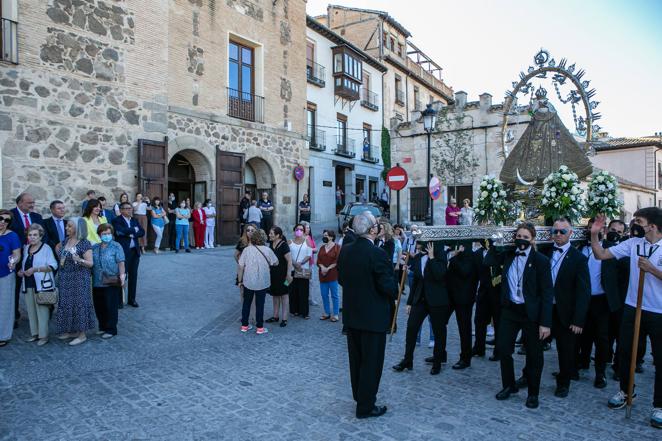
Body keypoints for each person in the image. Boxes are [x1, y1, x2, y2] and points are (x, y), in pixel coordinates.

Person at [589, 208, 662, 428]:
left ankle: (659, 405)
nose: (634, 224)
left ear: (652, 225)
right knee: (625, 353)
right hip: (633, 306)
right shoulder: (633, 244)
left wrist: (652, 269)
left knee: (660, 359)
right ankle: (626, 391)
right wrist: (594, 235)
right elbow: (601, 255)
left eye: (638, 221)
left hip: (659, 311)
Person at [517, 218, 590, 398]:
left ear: (570, 233)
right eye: (555, 231)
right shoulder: (543, 251)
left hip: (564, 311)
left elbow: (583, 291)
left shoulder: (579, 258)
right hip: (542, 309)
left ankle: (563, 382)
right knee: (533, 347)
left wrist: (578, 319)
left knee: (566, 351)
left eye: (562, 231)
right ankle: (528, 376)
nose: (558, 235)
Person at [338, 212, 398, 419]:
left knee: (356, 361)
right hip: (373, 319)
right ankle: (365, 406)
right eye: (377, 225)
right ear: (373, 230)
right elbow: (389, 288)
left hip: (353, 316)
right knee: (371, 363)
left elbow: (342, 280)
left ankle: (360, 397)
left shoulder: (345, 251)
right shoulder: (377, 254)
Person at [490, 222, 553, 410]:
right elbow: (488, 262)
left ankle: (533, 393)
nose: (522, 240)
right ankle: (509, 386)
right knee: (504, 349)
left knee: (534, 355)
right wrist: (497, 243)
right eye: (519, 236)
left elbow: (547, 293)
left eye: (526, 237)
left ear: (532, 239)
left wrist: (545, 323)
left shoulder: (541, 260)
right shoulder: (508, 255)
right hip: (510, 310)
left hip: (531, 313)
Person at [392, 239, 451, 376]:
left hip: (437, 300)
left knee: (439, 331)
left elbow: (439, 275)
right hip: (420, 300)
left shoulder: (440, 255)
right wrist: (409, 302)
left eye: (419, 242)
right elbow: (417, 282)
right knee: (411, 327)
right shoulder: (418, 257)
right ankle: (407, 360)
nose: (415, 244)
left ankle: (437, 361)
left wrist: (431, 257)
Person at [54, 218, 95, 346]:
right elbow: (58, 249)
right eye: (67, 226)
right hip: (65, 278)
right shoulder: (66, 240)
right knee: (67, 304)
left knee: (79, 304)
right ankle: (72, 331)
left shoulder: (84, 243)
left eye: (70, 226)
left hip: (79, 279)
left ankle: (82, 335)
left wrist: (80, 260)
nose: (67, 228)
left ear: (77, 228)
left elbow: (90, 263)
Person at [10, 192, 46, 329]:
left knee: (38, 286)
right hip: (17, 258)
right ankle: (13, 316)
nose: (32, 205)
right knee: (14, 288)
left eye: (33, 202)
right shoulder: (10, 216)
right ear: (19, 203)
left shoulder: (37, 216)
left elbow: (44, 235)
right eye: (29, 203)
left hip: (35, 258)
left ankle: (40, 313)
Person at [18, 224, 58, 346]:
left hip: (42, 285)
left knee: (42, 311)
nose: (32, 237)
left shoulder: (46, 248)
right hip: (28, 283)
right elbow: (25, 264)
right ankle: (34, 333)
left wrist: (36, 270)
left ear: (40, 236)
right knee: (31, 310)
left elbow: (53, 265)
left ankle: (43, 336)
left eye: (35, 235)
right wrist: (21, 271)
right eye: (30, 235)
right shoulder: (26, 248)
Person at [237, 229, 278, 334]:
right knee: (260, 304)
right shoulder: (267, 250)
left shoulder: (247, 250)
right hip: (262, 281)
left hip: (248, 281)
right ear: (264, 238)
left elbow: (241, 266)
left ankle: (244, 326)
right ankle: (260, 327)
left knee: (246, 303)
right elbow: (276, 262)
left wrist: (239, 280)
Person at [447, 241, 480, 370]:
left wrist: (454, 257)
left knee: (464, 329)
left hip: (465, 299)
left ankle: (465, 358)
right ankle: (440, 354)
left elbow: (465, 271)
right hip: (452, 296)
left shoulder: (471, 256)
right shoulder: (458, 256)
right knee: (439, 322)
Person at [92, 224, 126, 339]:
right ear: (99, 235)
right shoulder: (95, 247)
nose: (106, 236)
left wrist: (122, 275)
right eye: (104, 234)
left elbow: (121, 262)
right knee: (99, 305)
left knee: (110, 305)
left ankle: (111, 329)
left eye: (108, 233)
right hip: (97, 281)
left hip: (111, 280)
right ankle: (102, 327)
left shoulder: (116, 246)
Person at [473, 240, 502, 361]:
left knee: (498, 322)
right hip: (483, 292)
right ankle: (479, 347)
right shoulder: (478, 253)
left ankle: (499, 351)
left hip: (497, 292)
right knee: (479, 320)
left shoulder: (500, 252)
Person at [112, 202, 145, 307]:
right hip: (123, 252)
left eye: (130, 208)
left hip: (134, 252)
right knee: (121, 276)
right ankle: (119, 301)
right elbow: (119, 231)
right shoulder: (116, 220)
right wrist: (133, 230)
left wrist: (129, 232)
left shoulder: (134, 220)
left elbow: (142, 232)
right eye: (126, 208)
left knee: (133, 276)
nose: (129, 210)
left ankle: (132, 299)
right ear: (121, 210)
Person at [0, 209, 21, 347]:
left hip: (5, 274)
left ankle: (3, 335)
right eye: (1, 218)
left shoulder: (12, 236)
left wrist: (13, 262)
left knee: (5, 305)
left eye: (7, 220)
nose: (3, 222)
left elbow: (17, 254)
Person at [266, 226, 292, 327]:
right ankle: (275, 316)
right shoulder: (271, 244)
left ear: (278, 235)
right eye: (269, 233)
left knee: (284, 295)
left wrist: (288, 274)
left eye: (271, 234)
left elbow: (289, 261)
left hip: (284, 275)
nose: (269, 235)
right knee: (275, 295)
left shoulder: (284, 245)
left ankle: (284, 318)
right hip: (273, 274)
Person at [289, 223, 313, 319]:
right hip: (292, 269)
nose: (299, 231)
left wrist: (301, 263)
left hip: (303, 270)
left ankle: (304, 312)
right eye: (297, 229)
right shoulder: (290, 242)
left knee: (304, 291)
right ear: (294, 231)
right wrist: (294, 263)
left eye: (301, 229)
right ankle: (294, 310)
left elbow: (309, 254)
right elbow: (288, 254)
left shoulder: (307, 241)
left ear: (304, 231)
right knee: (292, 291)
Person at [318, 230, 341, 322]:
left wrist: (327, 269)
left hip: (333, 274)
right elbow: (318, 260)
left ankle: (335, 314)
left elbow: (337, 260)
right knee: (324, 295)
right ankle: (327, 313)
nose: (324, 237)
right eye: (324, 235)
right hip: (322, 275)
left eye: (326, 235)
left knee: (334, 295)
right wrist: (322, 267)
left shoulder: (337, 247)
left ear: (331, 237)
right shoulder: (322, 248)